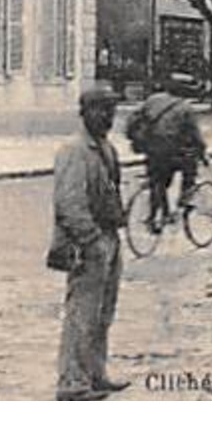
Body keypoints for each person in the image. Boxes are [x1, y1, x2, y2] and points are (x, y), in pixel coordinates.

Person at [49, 86, 130, 401]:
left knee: (103, 312)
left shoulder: (106, 148)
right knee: (82, 314)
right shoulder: (74, 150)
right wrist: (91, 240)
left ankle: (95, 374)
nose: (107, 118)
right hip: (87, 244)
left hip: (108, 238)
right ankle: (72, 382)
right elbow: (69, 205)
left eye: (111, 112)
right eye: (101, 111)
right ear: (84, 112)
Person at [128, 88, 207, 232]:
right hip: (172, 153)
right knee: (190, 165)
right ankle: (186, 196)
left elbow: (134, 118)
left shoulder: (153, 99)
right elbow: (195, 135)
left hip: (151, 149)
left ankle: (154, 217)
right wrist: (202, 152)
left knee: (157, 181)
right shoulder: (186, 108)